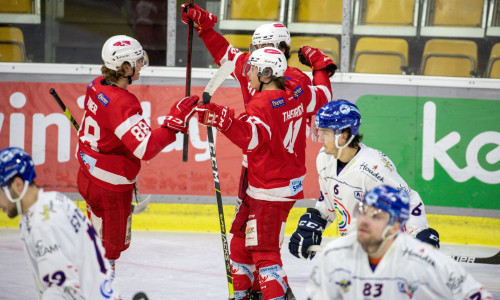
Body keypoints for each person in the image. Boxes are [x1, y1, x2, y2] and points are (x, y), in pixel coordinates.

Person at [181, 4, 335, 297]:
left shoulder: (266, 89)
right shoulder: (297, 84)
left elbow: (227, 58)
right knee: (245, 238)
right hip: (273, 171)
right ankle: (254, 289)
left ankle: (269, 288)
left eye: (258, 48)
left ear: (272, 53)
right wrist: (320, 68)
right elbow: (324, 97)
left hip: (268, 173)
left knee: (263, 246)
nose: (248, 59)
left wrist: (222, 118)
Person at [76, 35, 199, 272]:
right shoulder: (121, 102)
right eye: (138, 60)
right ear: (124, 68)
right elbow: (146, 148)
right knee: (108, 252)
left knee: (97, 240)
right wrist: (172, 125)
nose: (142, 64)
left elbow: (107, 128)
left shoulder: (96, 85)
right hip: (108, 186)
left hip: (88, 174)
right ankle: (103, 293)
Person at [289, 100, 440, 260]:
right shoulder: (324, 158)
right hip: (355, 252)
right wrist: (313, 224)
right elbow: (329, 202)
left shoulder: (372, 168)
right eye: (319, 132)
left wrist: (420, 235)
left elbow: (409, 200)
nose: (320, 139)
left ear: (344, 136)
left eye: (325, 133)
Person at [306, 184, 492, 300]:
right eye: (362, 211)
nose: (364, 220)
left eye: (376, 216)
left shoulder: (426, 262)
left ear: (395, 226)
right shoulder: (335, 255)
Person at [0, 147, 121, 299]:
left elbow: (65, 289)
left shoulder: (44, 223)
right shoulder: (50, 202)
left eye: (0, 190)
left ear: (18, 185)